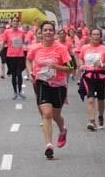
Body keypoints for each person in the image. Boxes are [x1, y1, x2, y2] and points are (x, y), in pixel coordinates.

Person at [26, 21, 75, 160]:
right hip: (42, 83)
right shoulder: (34, 48)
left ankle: (62, 129)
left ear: (54, 32)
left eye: (50, 30)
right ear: (41, 33)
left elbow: (71, 68)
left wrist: (55, 66)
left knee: (55, 115)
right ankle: (48, 145)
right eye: (45, 30)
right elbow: (28, 60)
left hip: (59, 85)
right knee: (46, 114)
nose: (48, 32)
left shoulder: (61, 49)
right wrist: (30, 72)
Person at [78, 28, 105, 131]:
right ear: (90, 36)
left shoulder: (104, 48)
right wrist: (81, 65)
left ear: (100, 36)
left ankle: (100, 116)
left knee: (101, 99)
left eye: (98, 34)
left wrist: (101, 64)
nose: (96, 36)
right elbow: (80, 58)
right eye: (94, 34)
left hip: (101, 76)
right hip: (89, 76)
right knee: (91, 99)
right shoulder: (85, 48)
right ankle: (92, 121)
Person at [0, 17, 30, 100]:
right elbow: (3, 44)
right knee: (14, 75)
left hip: (20, 56)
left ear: (18, 23)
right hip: (10, 56)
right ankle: (15, 92)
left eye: (16, 21)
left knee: (19, 74)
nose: (15, 22)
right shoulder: (7, 32)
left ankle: (20, 91)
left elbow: (23, 42)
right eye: (14, 21)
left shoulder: (22, 32)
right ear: (11, 23)